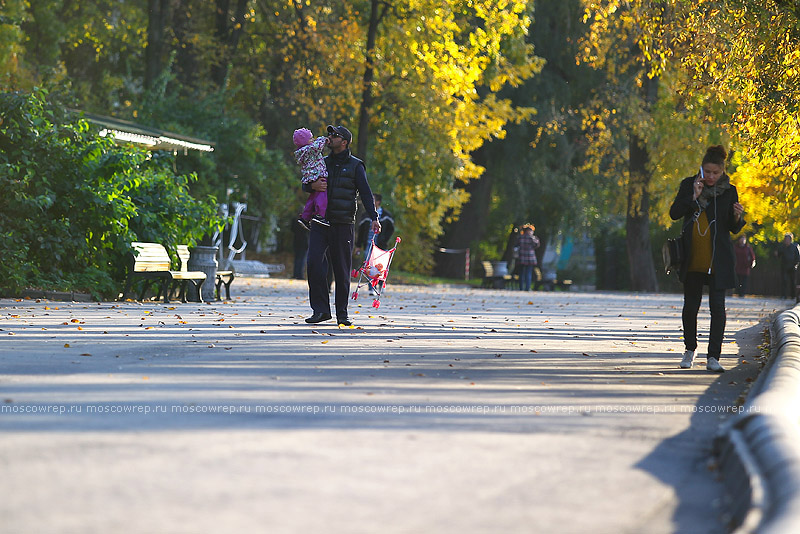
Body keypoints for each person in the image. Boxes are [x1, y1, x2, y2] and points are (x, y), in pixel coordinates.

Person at [669, 145, 745, 373]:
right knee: (690, 306)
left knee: (717, 309)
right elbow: (674, 214)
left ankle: (713, 357)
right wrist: (694, 196)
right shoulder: (689, 185)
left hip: (718, 259)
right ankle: (689, 350)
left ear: (722, 171)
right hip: (693, 257)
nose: (711, 177)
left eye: (715, 173)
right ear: (701, 169)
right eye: (707, 172)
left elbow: (732, 228)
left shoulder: (729, 191)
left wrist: (737, 216)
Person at [304, 125, 380, 326]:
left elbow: (365, 193)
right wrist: (312, 186)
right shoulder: (321, 162)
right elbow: (306, 181)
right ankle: (320, 311)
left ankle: (342, 314)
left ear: (344, 142)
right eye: (329, 134)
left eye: (334, 135)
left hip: (343, 223)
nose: (329, 137)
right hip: (320, 222)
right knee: (313, 263)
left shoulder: (356, 166)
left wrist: (374, 217)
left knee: (341, 269)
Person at [356, 193, 395, 294]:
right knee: (369, 266)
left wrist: (385, 239)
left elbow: (391, 229)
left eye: (373, 200)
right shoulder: (366, 215)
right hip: (369, 244)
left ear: (378, 202)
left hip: (381, 245)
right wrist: (358, 246)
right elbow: (360, 231)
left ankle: (381, 285)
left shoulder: (386, 215)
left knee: (381, 266)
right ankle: (371, 287)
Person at [293, 128, 330, 230]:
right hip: (317, 175)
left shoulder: (301, 152)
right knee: (322, 196)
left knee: (312, 198)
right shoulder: (310, 150)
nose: (313, 139)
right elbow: (317, 146)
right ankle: (321, 215)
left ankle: (305, 217)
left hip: (310, 176)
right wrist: (323, 139)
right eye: (311, 138)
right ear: (305, 142)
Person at [516, 224, 540, 291]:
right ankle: (527, 287)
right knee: (528, 273)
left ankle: (521, 287)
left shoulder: (520, 237)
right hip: (530, 258)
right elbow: (537, 245)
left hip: (521, 257)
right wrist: (533, 237)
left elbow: (516, 245)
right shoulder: (532, 238)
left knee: (521, 273)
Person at [777, 233, 800, 299]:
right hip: (784, 267)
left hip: (792, 267)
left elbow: (798, 257)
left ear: (790, 240)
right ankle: (784, 295)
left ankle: (793, 296)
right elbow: (779, 255)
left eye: (787, 239)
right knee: (784, 281)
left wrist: (795, 265)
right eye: (785, 239)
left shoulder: (794, 247)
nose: (786, 241)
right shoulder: (782, 247)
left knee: (793, 282)